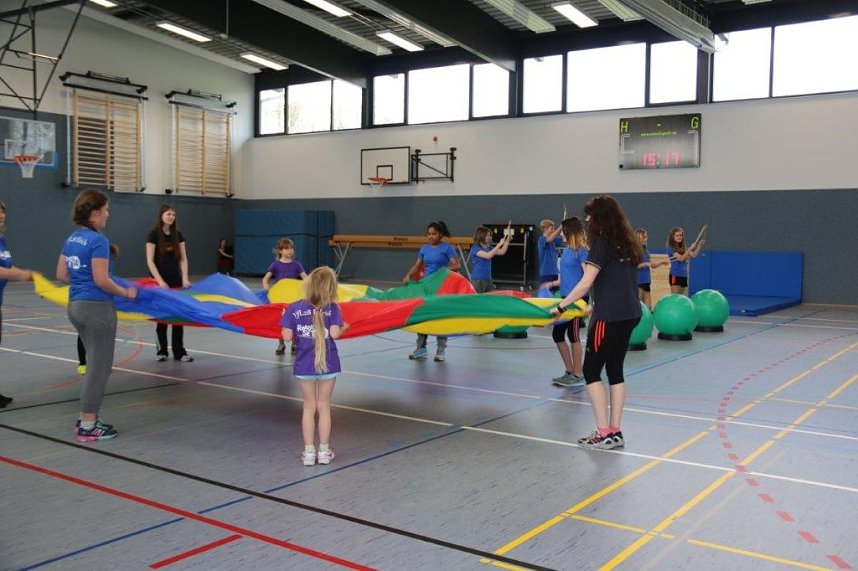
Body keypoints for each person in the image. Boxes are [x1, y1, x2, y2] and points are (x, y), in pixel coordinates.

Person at [551, 195, 642, 450]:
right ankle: (615, 431)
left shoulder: (601, 243)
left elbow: (585, 282)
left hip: (609, 317)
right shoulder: (628, 242)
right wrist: (593, 304)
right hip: (631, 314)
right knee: (615, 370)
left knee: (591, 371)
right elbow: (618, 281)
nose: (587, 220)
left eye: (590, 215)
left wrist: (561, 305)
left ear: (600, 217)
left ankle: (603, 433)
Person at [57, 189, 137, 442]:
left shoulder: (72, 239)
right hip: (97, 309)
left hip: (76, 307)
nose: (108, 214)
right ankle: (88, 424)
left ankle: (86, 418)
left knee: (94, 364)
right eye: (106, 210)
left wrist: (83, 282)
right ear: (95, 213)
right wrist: (125, 292)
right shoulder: (98, 241)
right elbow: (102, 280)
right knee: (99, 369)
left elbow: (61, 274)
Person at [281, 267, 348, 466]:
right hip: (329, 365)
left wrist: (285, 319)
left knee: (309, 407)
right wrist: (345, 327)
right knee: (324, 407)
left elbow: (286, 337)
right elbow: (335, 334)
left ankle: (309, 452)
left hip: (304, 366)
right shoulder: (333, 308)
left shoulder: (293, 308)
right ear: (331, 288)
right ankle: (324, 451)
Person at [403, 221, 459, 362]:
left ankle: (441, 348)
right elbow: (417, 265)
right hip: (426, 287)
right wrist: (408, 275)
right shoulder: (424, 249)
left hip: (442, 287)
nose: (431, 236)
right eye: (429, 234)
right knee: (423, 315)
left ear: (440, 234)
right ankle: (421, 347)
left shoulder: (447, 248)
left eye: (434, 234)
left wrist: (444, 271)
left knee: (440, 316)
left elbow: (456, 265)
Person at [146, 204, 193, 362]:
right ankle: (162, 351)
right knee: (162, 318)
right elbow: (150, 261)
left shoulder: (178, 235)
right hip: (159, 283)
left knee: (178, 317)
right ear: (161, 215)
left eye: (173, 214)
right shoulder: (153, 235)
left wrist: (185, 278)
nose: (171, 217)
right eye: (168, 214)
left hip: (176, 281)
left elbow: (183, 258)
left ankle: (179, 352)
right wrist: (159, 281)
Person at [0, 201, 35, 408]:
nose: (2, 216)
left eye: (3, 212)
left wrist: (27, 275)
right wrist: (20, 274)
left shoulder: (2, 241)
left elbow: (7, 265)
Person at [546, 217, 588, 388]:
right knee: (557, 334)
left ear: (569, 231)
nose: (560, 234)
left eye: (562, 231)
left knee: (574, 335)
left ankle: (578, 374)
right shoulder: (567, 250)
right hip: (564, 298)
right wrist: (554, 284)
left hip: (577, 300)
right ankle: (570, 370)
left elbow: (588, 276)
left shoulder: (582, 250)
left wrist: (580, 299)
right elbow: (568, 274)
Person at [76, 243, 120, 375]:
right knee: (86, 332)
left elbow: (107, 278)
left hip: (103, 300)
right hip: (89, 299)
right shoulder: (91, 257)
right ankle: (83, 363)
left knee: (102, 334)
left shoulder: (108, 257)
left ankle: (100, 364)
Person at [263, 237, 308, 355]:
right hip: (280, 298)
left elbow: (306, 279)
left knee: (295, 319)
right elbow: (265, 279)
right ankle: (281, 343)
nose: (290, 251)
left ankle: (294, 343)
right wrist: (266, 288)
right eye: (287, 248)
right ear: (280, 251)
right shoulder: (275, 265)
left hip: (293, 297)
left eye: (291, 248)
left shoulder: (297, 265)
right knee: (282, 320)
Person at [469, 223, 511, 293]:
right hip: (478, 280)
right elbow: (488, 256)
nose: (489, 237)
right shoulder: (475, 248)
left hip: (488, 278)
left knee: (487, 301)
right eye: (487, 235)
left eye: (489, 235)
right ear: (481, 236)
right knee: (479, 301)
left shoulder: (488, 247)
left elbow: (502, 252)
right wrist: (499, 244)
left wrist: (507, 241)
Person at [666, 226, 704, 295]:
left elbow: (694, 255)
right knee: (674, 298)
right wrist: (690, 248)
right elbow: (681, 259)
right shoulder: (671, 248)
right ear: (673, 237)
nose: (679, 237)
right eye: (677, 235)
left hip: (683, 275)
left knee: (680, 298)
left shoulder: (684, 248)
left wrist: (699, 246)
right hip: (675, 275)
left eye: (681, 235)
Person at [635, 228, 667, 310]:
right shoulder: (635, 251)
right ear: (639, 238)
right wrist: (646, 264)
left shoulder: (646, 251)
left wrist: (661, 262)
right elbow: (635, 265)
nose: (646, 239)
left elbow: (652, 264)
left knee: (648, 308)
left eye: (646, 237)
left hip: (646, 282)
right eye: (644, 237)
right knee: (638, 307)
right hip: (638, 282)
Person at [537, 219, 564, 290]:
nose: (553, 230)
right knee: (546, 295)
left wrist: (564, 228)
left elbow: (561, 238)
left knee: (555, 294)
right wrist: (560, 227)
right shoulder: (541, 239)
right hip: (546, 273)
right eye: (551, 229)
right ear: (545, 229)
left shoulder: (554, 240)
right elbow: (549, 239)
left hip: (554, 272)